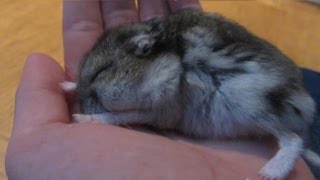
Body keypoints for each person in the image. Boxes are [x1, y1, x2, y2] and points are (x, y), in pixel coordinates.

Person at [5, 0, 316, 179]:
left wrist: (105, 117)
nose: (93, 100)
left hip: (270, 95)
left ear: (144, 49)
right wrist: (87, 89)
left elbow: (159, 110)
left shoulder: (163, 72)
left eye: (99, 76)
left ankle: (290, 146)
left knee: (258, 100)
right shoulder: (152, 69)